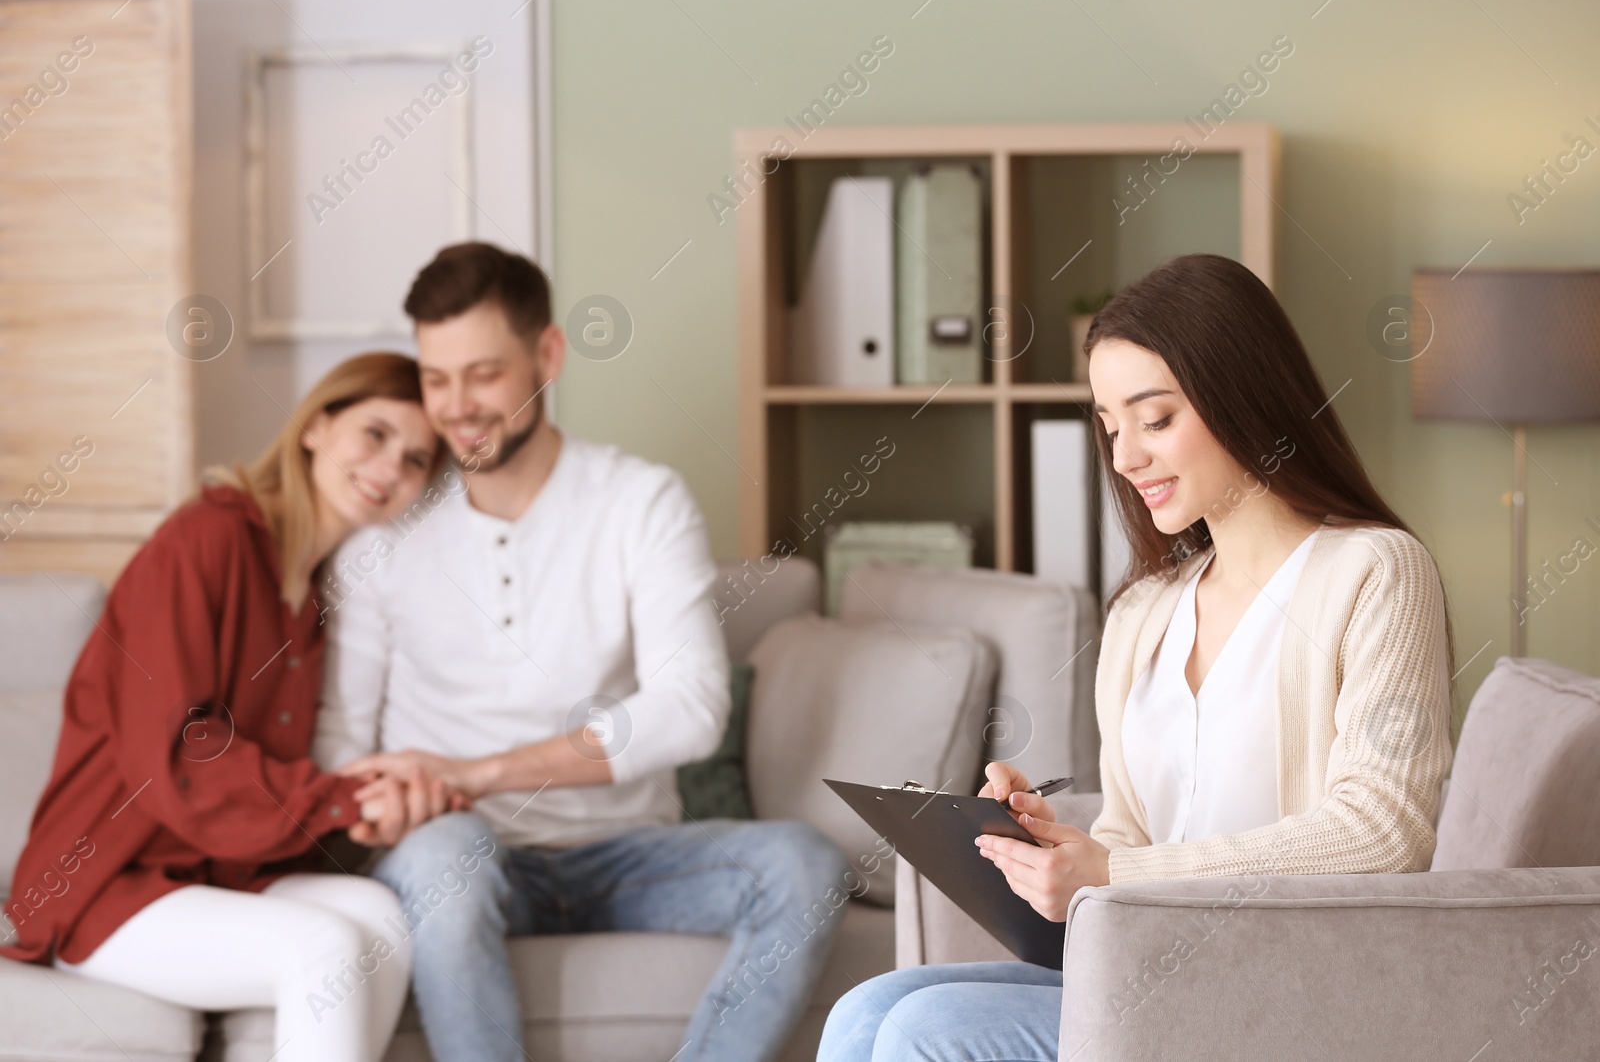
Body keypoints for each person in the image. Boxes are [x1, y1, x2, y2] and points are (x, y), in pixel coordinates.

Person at [819, 253, 1456, 1062]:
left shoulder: (1375, 571)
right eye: (1112, 426)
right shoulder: (1144, 612)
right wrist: (1058, 849)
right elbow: (1129, 831)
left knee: (922, 1031)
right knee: (867, 1010)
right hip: (1145, 963)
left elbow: (1385, 831)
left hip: (1283, 984)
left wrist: (1118, 872)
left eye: (1154, 419)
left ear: (1245, 393)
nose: (1124, 459)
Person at [313, 242, 848, 1062]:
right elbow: (341, 748)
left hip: (629, 852)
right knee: (449, 863)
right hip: (461, 851)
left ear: (549, 355)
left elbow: (691, 709)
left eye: (484, 373)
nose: (457, 406)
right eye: (436, 377)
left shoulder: (641, 500)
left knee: (805, 863)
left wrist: (477, 771)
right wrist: (394, 797)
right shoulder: (380, 541)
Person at [1, 353, 453, 1062]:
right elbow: (180, 754)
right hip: (104, 884)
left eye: (417, 458)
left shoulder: (320, 598)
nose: (391, 467)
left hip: (215, 874)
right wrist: (341, 798)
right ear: (316, 425)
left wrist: (377, 803)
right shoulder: (205, 539)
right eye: (375, 434)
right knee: (326, 947)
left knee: (384, 921)